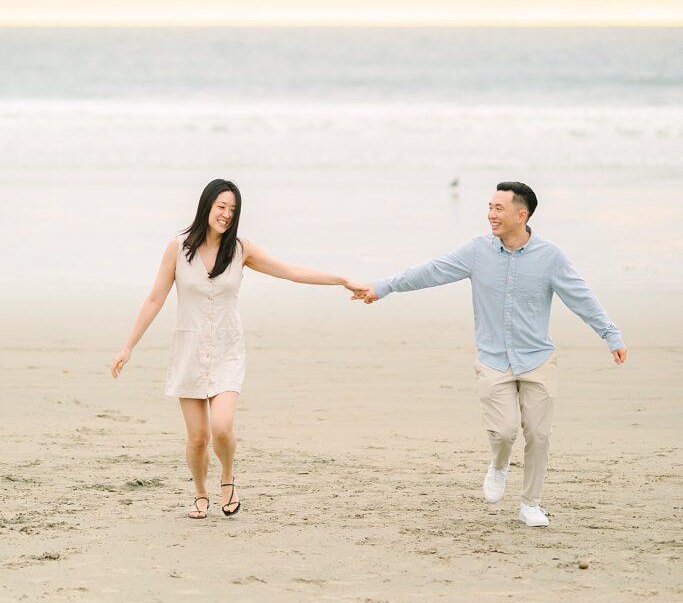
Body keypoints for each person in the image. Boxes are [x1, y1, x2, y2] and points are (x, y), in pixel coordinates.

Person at [352, 181, 627, 528]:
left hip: (537, 358)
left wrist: (610, 334)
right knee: (503, 432)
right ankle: (498, 465)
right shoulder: (477, 252)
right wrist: (384, 287)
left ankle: (530, 504)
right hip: (493, 359)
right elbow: (432, 271)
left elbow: (580, 297)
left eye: (499, 208)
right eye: (490, 207)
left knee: (539, 435)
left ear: (521, 215)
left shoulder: (550, 257)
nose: (491, 214)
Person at [112, 177, 361, 521]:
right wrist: (129, 346)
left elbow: (290, 271)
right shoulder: (178, 248)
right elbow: (155, 297)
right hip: (189, 350)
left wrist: (342, 280)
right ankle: (201, 492)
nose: (226, 214)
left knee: (223, 427)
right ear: (207, 207)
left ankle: (227, 478)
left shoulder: (241, 250)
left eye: (232, 209)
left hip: (227, 349)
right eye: (221, 207)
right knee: (198, 438)